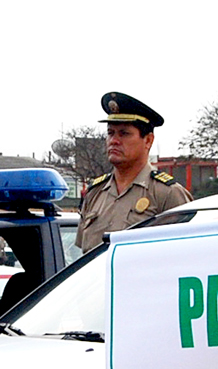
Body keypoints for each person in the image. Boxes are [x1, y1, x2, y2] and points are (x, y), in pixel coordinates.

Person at [75, 92, 193, 252]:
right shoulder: (94, 193)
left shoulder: (167, 194)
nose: (114, 141)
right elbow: (82, 256)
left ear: (148, 140)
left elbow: (187, 255)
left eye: (124, 133)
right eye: (110, 133)